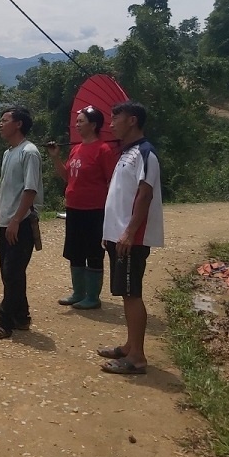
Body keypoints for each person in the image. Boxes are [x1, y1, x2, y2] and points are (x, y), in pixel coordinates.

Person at [97, 102, 164, 375]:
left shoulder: (145, 153)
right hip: (119, 237)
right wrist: (110, 234)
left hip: (131, 239)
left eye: (116, 119)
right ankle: (129, 345)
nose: (111, 124)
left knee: (132, 293)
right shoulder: (127, 153)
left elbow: (145, 195)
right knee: (126, 293)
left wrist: (128, 232)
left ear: (132, 120)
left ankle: (137, 357)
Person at [0, 106, 43, 341]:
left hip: (21, 222)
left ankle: (4, 323)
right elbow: (6, 188)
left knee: (12, 271)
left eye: (5, 120)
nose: (0, 124)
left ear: (18, 124)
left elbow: (30, 189)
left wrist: (16, 219)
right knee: (11, 273)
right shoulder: (9, 152)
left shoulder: (29, 152)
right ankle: (21, 316)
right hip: (6, 221)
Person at [46, 106, 118, 309]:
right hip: (74, 208)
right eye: (77, 121)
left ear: (93, 125)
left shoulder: (103, 150)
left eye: (81, 121)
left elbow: (112, 180)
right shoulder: (76, 149)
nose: (77, 125)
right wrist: (55, 157)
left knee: (94, 251)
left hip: (94, 210)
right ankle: (78, 292)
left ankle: (93, 297)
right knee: (75, 250)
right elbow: (67, 177)